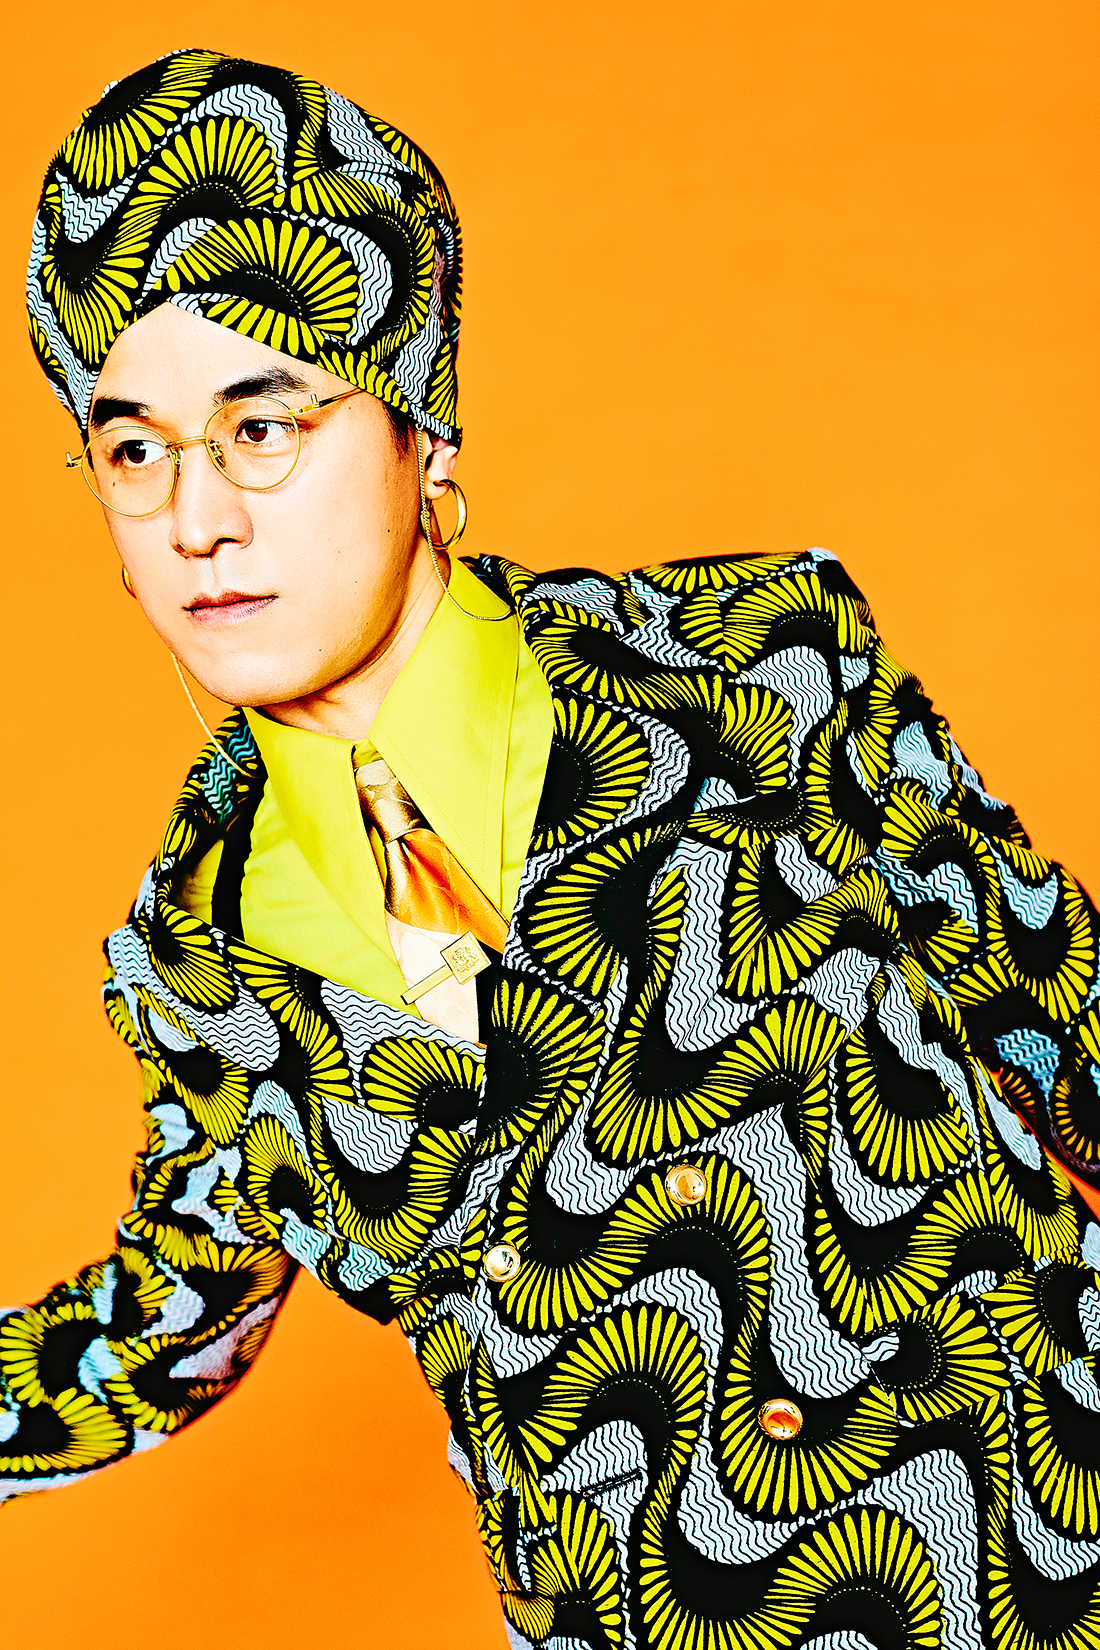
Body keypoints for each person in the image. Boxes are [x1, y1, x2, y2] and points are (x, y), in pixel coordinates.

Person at [6, 46, 1100, 1650]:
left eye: (263, 427)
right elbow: (150, 1336)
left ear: (424, 433)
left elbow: (1068, 1022)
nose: (196, 518)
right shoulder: (196, 970)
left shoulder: (762, 670)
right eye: (133, 450)